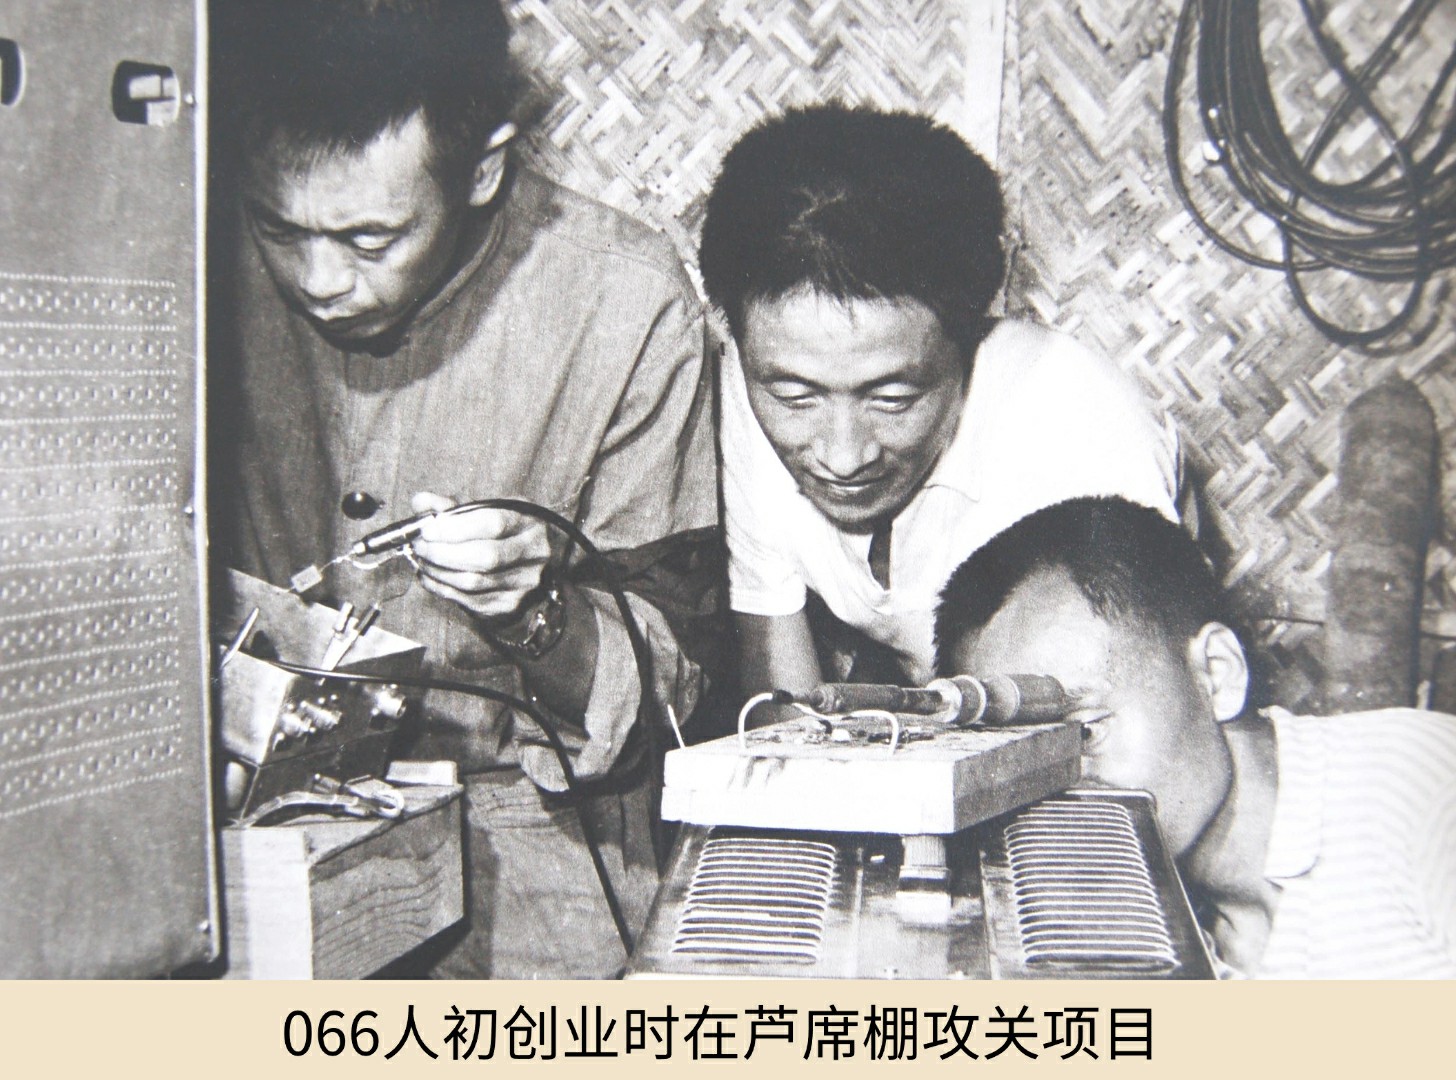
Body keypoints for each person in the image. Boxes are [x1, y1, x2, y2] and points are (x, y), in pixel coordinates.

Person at [209, 0, 719, 978]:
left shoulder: (624, 301)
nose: (318, 279)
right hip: (242, 815)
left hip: (531, 831)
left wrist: (536, 611)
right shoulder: (181, 256)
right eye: (279, 227)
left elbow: (675, 692)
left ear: (483, 168)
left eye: (370, 238)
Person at [697, 103, 1181, 699]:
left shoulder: (1079, 425)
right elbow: (782, 705)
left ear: (970, 337)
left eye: (892, 397)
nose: (842, 457)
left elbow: (1142, 723)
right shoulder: (754, 378)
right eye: (797, 397)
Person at [934, 496, 1456, 978]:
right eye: (1016, 759)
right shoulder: (1138, 932)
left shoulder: (1423, 793)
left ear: (1217, 673)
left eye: (1086, 731)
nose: (1059, 792)